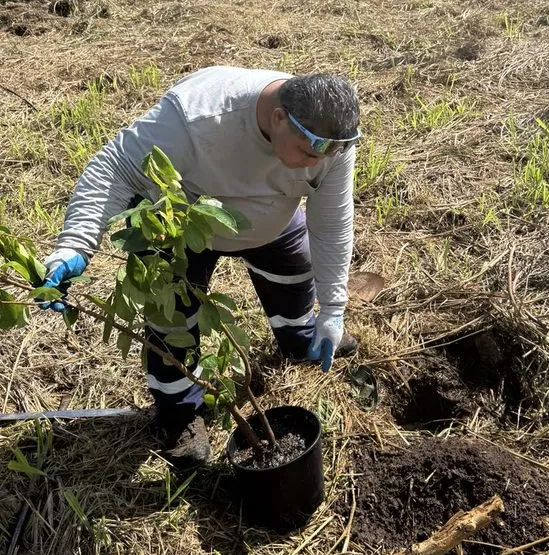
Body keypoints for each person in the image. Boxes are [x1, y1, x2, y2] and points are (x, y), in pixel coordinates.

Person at [40, 67, 361, 467]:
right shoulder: (196, 117)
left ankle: (301, 340)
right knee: (170, 318)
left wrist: (332, 309)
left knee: (295, 271)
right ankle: (179, 415)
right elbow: (114, 167)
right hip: (178, 224)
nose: (314, 165)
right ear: (279, 118)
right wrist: (76, 243)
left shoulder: (331, 142)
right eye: (309, 154)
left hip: (268, 221)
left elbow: (332, 220)